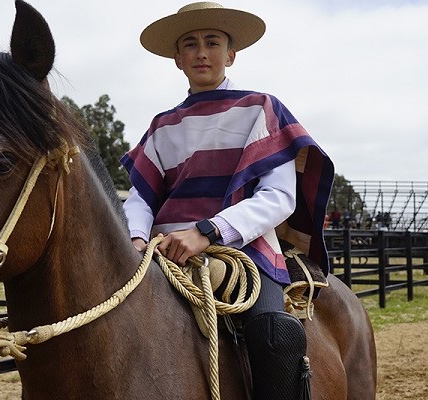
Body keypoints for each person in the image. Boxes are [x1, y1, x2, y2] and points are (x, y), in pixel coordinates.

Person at [121, 3, 334, 399]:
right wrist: (134, 240)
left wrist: (207, 231)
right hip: (164, 252)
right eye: (190, 44)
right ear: (178, 60)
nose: (202, 52)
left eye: (212, 42)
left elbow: (279, 197)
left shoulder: (261, 109)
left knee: (273, 336)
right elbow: (141, 197)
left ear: (230, 55)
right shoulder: (162, 126)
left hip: (245, 250)